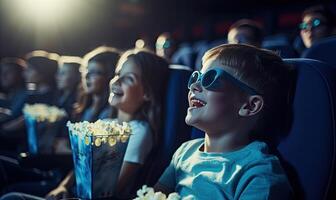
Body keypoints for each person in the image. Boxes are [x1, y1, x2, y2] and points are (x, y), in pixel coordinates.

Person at [154, 44, 293, 199]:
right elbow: (153, 195)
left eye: (210, 79)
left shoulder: (259, 173)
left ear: (249, 105)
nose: (194, 86)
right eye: (196, 77)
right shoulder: (184, 152)